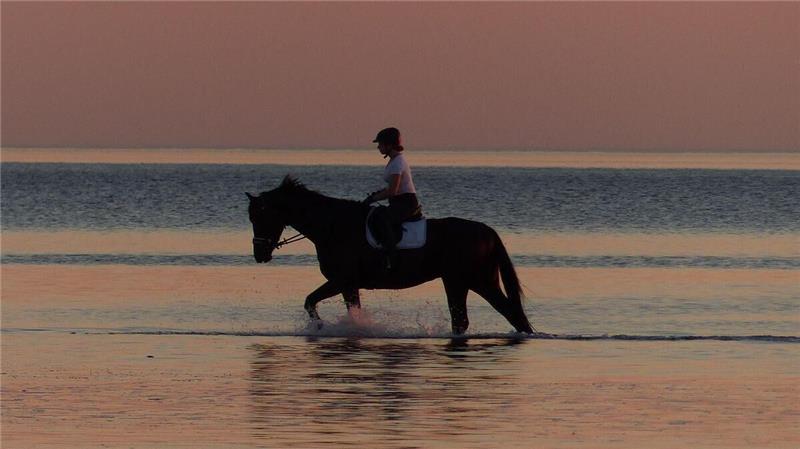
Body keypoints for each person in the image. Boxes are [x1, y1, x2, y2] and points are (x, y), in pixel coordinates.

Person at [363, 127, 421, 269]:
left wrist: (373, 198)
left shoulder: (397, 163)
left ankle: (391, 257)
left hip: (406, 203)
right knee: (375, 214)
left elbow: (393, 191)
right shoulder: (394, 161)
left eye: (380, 144)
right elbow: (392, 188)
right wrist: (375, 195)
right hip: (398, 202)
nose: (378, 147)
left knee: (382, 220)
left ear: (389, 145)